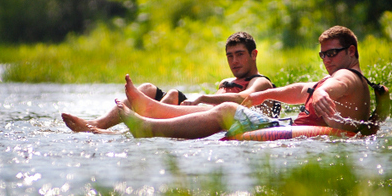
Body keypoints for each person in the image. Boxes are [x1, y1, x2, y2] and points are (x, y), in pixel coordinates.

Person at [115, 26, 389, 139]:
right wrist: (258, 98)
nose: (327, 60)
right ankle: (153, 113)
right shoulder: (348, 80)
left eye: (333, 53)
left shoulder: (346, 77)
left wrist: (320, 95)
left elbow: (331, 88)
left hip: (307, 136)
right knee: (217, 111)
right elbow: (299, 90)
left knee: (226, 112)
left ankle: (148, 125)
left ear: (351, 52)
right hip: (299, 129)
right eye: (323, 54)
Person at [61, 31, 275, 133]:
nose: (234, 61)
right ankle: (96, 124)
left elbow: (245, 98)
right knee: (147, 89)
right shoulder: (226, 81)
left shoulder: (261, 82)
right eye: (230, 56)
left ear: (254, 54)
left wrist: (202, 97)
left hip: (228, 120)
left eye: (239, 54)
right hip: (201, 113)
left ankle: (132, 127)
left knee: (169, 97)